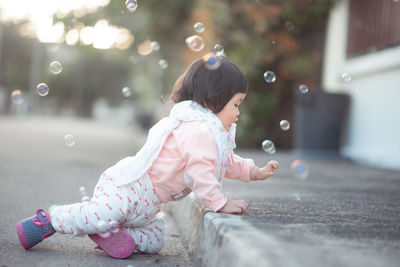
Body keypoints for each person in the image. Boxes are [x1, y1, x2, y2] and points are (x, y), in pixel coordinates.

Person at [16, 56, 279, 259]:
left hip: (149, 204)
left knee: (155, 241)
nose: (238, 113)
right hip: (130, 187)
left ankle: (114, 235)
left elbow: (224, 162)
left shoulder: (210, 133)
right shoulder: (197, 129)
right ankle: (48, 220)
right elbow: (202, 171)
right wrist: (219, 203)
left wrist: (252, 172)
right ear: (213, 101)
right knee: (103, 213)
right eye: (236, 104)